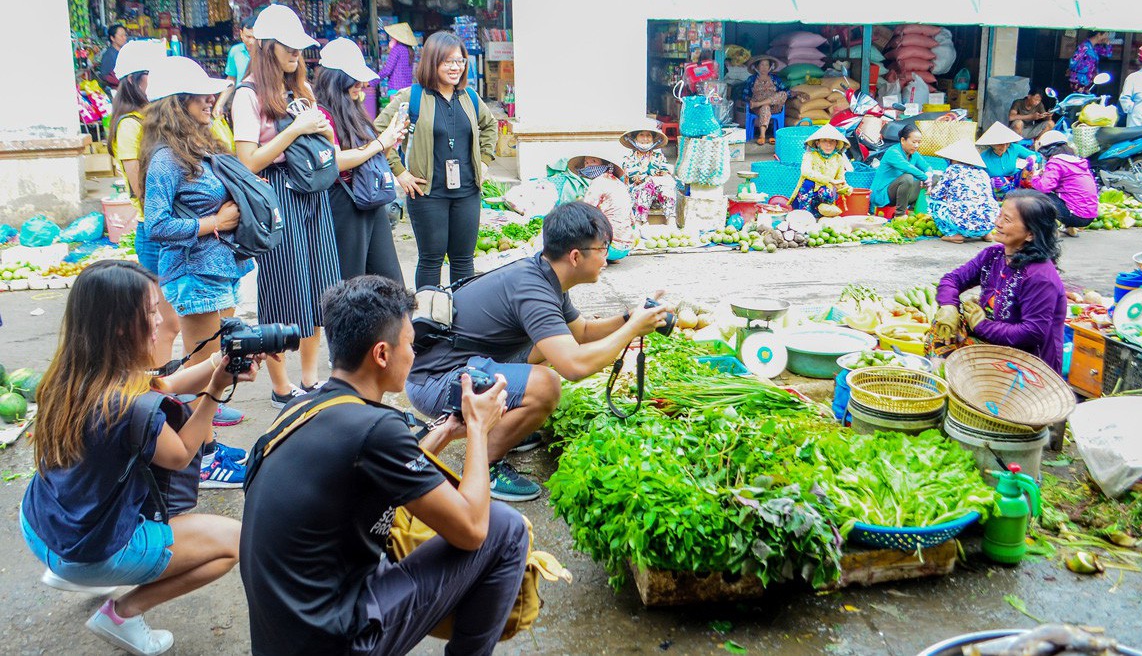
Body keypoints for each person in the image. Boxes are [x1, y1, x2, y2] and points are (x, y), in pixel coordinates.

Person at [240, 275, 528, 656]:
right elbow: (472, 530)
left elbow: (378, 467)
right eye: (410, 343)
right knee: (505, 528)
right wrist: (478, 428)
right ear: (381, 354)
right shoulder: (377, 429)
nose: (414, 354)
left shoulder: (302, 408)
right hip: (336, 640)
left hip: (284, 634)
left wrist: (443, 433)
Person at [19, 260, 253, 656]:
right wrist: (213, 393)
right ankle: (122, 614)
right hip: (83, 550)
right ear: (120, 326)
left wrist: (218, 363)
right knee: (235, 541)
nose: (165, 321)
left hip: (41, 524)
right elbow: (179, 455)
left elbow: (163, 385)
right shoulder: (126, 406)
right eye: (151, 311)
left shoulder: (74, 373)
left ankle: (77, 570)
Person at [405, 201, 670, 501]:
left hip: (458, 365)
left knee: (549, 347)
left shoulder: (545, 273)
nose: (606, 258)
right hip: (437, 382)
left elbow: (580, 332)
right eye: (603, 249)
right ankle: (484, 466)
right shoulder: (533, 290)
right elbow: (574, 367)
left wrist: (629, 316)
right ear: (574, 256)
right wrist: (632, 329)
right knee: (547, 385)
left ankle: (506, 428)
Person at [140, 56, 254, 486]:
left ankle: (205, 447)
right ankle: (201, 460)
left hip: (219, 270)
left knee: (218, 363)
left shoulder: (198, 146)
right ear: (177, 102)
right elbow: (157, 225)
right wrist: (213, 223)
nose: (211, 99)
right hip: (193, 274)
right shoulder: (167, 159)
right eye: (202, 94)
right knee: (204, 368)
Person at [232, 4, 340, 409]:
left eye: (299, 48)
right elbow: (247, 162)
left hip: (313, 193)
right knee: (281, 290)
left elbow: (324, 144)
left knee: (319, 286)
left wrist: (322, 131)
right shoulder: (248, 95)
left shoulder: (301, 89)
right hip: (276, 195)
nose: (296, 54)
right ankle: (281, 387)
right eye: (288, 47)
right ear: (267, 47)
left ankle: (311, 380)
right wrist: (296, 129)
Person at [373, 31, 499, 289]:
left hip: (467, 192)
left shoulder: (470, 97)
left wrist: (484, 161)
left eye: (460, 61)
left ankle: (463, 321)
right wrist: (399, 171)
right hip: (427, 193)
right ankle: (429, 323)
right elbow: (377, 130)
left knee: (463, 261)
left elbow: (490, 126)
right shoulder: (413, 97)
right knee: (431, 260)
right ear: (432, 61)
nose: (455, 67)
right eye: (448, 61)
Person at [934, 190, 1067, 373]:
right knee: (941, 328)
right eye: (999, 215)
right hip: (994, 343)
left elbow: (1032, 332)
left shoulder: (1039, 276)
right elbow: (953, 279)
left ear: (1030, 234)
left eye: (1007, 219)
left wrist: (982, 325)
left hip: (1027, 363)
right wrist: (949, 306)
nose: (997, 223)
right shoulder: (994, 255)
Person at [314, 38, 408, 282]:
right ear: (337, 79)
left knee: (389, 279)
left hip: (369, 199)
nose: (363, 84)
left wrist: (389, 143)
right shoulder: (321, 113)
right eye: (355, 80)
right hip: (343, 202)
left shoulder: (355, 109)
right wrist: (379, 143)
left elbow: (374, 159)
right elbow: (334, 162)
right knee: (352, 281)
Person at [108, 40, 173, 367]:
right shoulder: (130, 126)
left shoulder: (153, 118)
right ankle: (163, 394)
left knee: (171, 323)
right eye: (152, 74)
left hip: (167, 230)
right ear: (133, 80)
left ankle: (170, 391)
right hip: (156, 232)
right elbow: (139, 187)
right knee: (163, 324)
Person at [927, 139, 998, 244]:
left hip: (963, 225)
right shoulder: (983, 173)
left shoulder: (953, 170)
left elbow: (936, 194)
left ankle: (953, 235)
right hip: (990, 223)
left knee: (933, 202)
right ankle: (986, 233)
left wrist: (930, 191)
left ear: (954, 159)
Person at [1029, 130, 1098, 237]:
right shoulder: (1077, 161)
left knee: (1036, 195)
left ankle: (1052, 229)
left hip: (1075, 215)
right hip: (1089, 215)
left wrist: (1035, 177)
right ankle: (1070, 228)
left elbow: (1044, 187)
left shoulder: (1056, 162)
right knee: (1065, 196)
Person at [572, 155, 635, 261]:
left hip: (608, 248)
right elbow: (632, 220)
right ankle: (612, 258)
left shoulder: (598, 182)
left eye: (593, 161)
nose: (589, 165)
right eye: (586, 163)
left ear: (604, 164)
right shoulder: (619, 183)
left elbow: (585, 210)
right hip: (626, 248)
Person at [787, 124, 853, 218]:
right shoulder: (809, 155)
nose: (828, 144)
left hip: (825, 196)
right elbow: (806, 172)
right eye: (824, 141)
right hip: (807, 194)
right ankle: (804, 216)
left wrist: (846, 188)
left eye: (832, 141)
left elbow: (840, 179)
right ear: (818, 143)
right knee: (808, 183)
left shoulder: (838, 158)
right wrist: (830, 180)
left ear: (836, 144)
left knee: (826, 192)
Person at [869, 124, 932, 216]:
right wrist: (925, 178)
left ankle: (915, 210)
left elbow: (927, 166)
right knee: (907, 178)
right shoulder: (893, 152)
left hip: (900, 194)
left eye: (919, 142)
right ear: (903, 140)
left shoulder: (914, 153)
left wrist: (929, 175)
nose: (916, 145)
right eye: (914, 142)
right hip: (883, 195)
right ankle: (900, 215)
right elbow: (907, 167)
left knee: (936, 178)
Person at [619, 128, 676, 224]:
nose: (645, 138)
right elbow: (634, 177)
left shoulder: (658, 156)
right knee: (646, 187)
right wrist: (651, 177)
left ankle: (671, 220)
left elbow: (665, 171)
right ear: (635, 138)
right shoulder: (629, 157)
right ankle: (639, 222)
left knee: (667, 188)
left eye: (648, 135)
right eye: (641, 135)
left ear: (653, 139)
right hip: (637, 193)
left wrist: (655, 176)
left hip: (658, 193)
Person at [976, 122, 1042, 201]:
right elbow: (978, 177)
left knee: (1029, 170)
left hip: (1015, 181)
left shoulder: (1013, 148)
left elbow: (1038, 156)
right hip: (997, 188)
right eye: (1000, 144)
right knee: (999, 181)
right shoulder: (983, 157)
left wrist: (1033, 159)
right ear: (992, 144)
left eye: (1007, 144)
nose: (1004, 147)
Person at [742, 55, 788, 145]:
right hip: (757, 108)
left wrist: (796, 93)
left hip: (774, 107)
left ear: (770, 67)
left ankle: (759, 103)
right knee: (765, 107)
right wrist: (749, 100)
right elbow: (744, 95)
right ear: (757, 67)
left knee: (783, 94)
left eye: (766, 65)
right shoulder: (751, 79)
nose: (764, 67)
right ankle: (762, 136)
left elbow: (786, 91)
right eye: (762, 65)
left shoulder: (775, 79)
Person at [378, 22, 418, 96]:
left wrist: (372, 81)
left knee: (395, 108)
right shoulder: (410, 51)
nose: (390, 40)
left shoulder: (396, 49)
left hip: (395, 89)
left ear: (396, 39)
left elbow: (387, 71)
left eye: (392, 38)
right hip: (407, 89)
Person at [225, 18, 255, 86]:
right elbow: (231, 79)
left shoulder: (267, 52)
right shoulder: (235, 51)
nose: (252, 42)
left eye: (255, 37)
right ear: (241, 34)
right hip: (242, 95)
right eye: (248, 37)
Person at [98, 24, 128, 88]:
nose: (124, 38)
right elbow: (105, 76)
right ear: (112, 38)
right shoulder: (109, 55)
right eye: (121, 36)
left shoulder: (124, 52)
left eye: (125, 35)